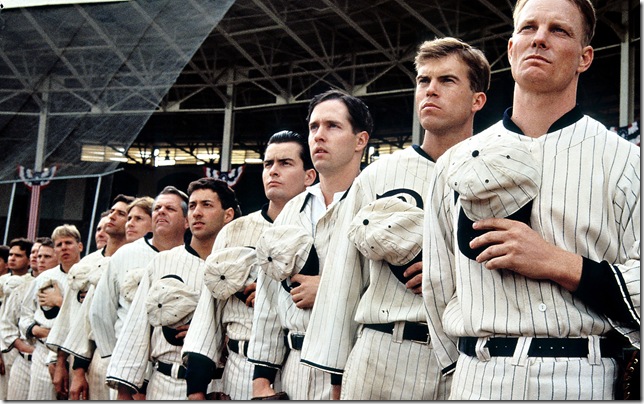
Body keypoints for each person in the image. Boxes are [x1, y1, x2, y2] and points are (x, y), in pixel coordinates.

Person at [422, 0, 640, 400]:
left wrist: (559, 263)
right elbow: (438, 285)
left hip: (583, 374)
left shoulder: (627, 160)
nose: (539, 38)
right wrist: (460, 370)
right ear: (510, 49)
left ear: (584, 57)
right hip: (477, 374)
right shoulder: (453, 162)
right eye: (528, 28)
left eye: (559, 30)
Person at [300, 37, 490, 400]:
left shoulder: (497, 172)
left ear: (476, 100)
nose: (430, 90)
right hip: (384, 349)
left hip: (468, 357)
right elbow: (343, 280)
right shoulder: (377, 175)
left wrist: (446, 273)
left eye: (447, 81)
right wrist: (337, 380)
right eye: (423, 81)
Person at [247, 89, 371, 400]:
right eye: (314, 127)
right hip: (293, 364)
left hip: (354, 364)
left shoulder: (377, 201)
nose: (318, 136)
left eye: (332, 126)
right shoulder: (292, 209)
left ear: (360, 140)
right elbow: (269, 297)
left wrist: (329, 290)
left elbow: (388, 288)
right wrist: (261, 379)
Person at [182, 130, 317, 400]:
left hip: (303, 363)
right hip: (240, 364)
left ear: (309, 176)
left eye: (285, 163)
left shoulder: (321, 226)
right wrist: (196, 389)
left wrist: (276, 293)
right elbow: (209, 314)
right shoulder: (234, 231)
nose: (273, 171)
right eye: (268, 164)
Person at [106, 178, 240, 400]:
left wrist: (211, 336)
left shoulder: (240, 265)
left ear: (228, 215)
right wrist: (124, 391)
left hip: (221, 382)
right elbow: (137, 328)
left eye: (207, 205)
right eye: (193, 206)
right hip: (166, 381)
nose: (197, 212)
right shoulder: (162, 262)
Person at [84, 187, 188, 400]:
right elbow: (101, 310)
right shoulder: (126, 253)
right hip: (127, 370)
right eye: (157, 208)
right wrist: (120, 361)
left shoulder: (193, 257)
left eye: (170, 208)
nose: (161, 212)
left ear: (186, 221)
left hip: (173, 371)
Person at [46, 194, 133, 399]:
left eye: (121, 214)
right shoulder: (85, 264)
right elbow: (69, 316)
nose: (112, 217)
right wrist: (59, 363)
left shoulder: (133, 260)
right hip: (87, 359)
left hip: (121, 356)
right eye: (112, 211)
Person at [20, 224, 83, 400]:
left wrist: (60, 302)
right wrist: (34, 329)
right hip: (44, 347)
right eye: (59, 244)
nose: (63, 248)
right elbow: (25, 314)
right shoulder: (44, 278)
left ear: (80, 246)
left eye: (68, 243)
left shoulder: (90, 273)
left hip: (77, 352)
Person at [0, 238, 50, 400]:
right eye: (36, 254)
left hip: (49, 362)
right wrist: (30, 349)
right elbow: (7, 325)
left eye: (44, 255)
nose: (38, 258)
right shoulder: (19, 286)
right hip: (20, 358)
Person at [0, 237, 35, 399]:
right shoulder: (3, 282)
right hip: (4, 347)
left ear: (28, 260)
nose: (12, 258)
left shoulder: (32, 283)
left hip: (22, 349)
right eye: (11, 255)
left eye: (18, 255)